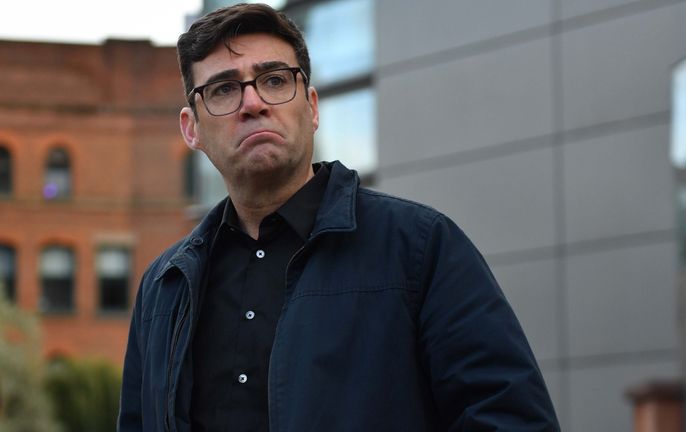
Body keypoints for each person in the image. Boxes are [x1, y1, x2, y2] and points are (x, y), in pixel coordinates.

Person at [117, 3, 560, 431]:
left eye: (273, 80)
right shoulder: (164, 288)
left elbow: (510, 418)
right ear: (191, 127)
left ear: (311, 107)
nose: (252, 102)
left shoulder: (421, 249)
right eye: (223, 89)